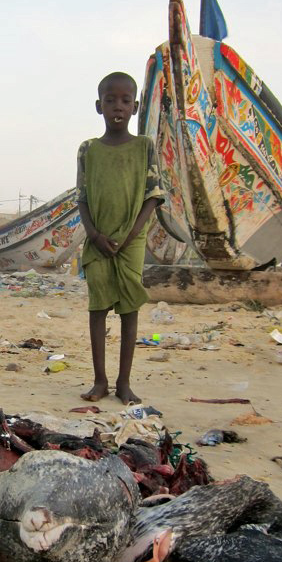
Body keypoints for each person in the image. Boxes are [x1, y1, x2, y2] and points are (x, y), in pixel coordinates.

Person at [76, 72, 164, 404]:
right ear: (99, 106)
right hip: (98, 241)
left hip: (132, 240)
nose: (118, 106)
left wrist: (130, 235)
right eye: (110, 100)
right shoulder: (88, 149)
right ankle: (100, 381)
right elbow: (82, 198)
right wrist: (94, 235)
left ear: (136, 107)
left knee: (130, 308)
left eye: (126, 101)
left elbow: (153, 196)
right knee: (97, 307)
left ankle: (124, 383)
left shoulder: (144, 147)